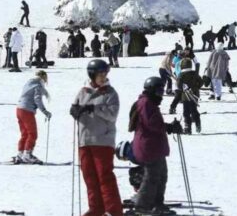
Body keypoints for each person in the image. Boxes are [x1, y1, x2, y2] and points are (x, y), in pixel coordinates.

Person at [69, 60, 123, 215]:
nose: (104, 77)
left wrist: (94, 108)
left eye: (105, 74)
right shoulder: (83, 91)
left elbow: (112, 115)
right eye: (101, 74)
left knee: (104, 176)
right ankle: (96, 208)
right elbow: (76, 106)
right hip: (84, 140)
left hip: (102, 141)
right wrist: (75, 110)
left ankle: (113, 210)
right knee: (90, 178)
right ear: (92, 74)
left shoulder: (110, 93)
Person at [129, 77, 183, 214]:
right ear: (151, 90)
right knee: (152, 177)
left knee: (161, 176)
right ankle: (143, 206)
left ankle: (157, 202)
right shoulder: (146, 103)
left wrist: (169, 127)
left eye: (161, 92)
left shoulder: (149, 103)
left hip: (154, 147)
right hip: (148, 147)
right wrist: (169, 127)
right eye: (158, 92)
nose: (161, 95)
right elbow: (152, 123)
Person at [15, 70, 52, 164]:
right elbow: (37, 99)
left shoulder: (29, 83)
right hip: (27, 110)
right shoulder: (38, 85)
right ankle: (28, 154)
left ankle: (20, 154)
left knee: (25, 133)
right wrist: (44, 111)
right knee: (32, 133)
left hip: (19, 109)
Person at [176, 57, 202, 134]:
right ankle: (197, 123)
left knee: (186, 112)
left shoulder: (181, 75)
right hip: (195, 95)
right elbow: (201, 82)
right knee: (194, 110)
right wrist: (196, 87)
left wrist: (182, 87)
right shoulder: (194, 73)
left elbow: (178, 85)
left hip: (185, 97)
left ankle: (188, 127)